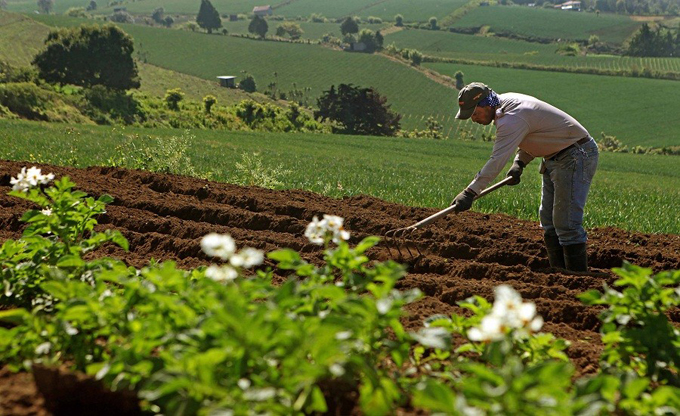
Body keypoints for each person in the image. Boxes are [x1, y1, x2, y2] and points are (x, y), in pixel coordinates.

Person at [450, 82, 599, 272]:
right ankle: (560, 272)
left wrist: (470, 192)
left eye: (474, 113)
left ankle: (577, 275)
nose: (473, 119)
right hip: (554, 157)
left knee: (566, 222)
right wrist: (519, 163)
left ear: (485, 105)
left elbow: (497, 160)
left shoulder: (511, 118)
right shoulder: (506, 104)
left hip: (576, 155)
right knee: (548, 220)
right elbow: (538, 132)